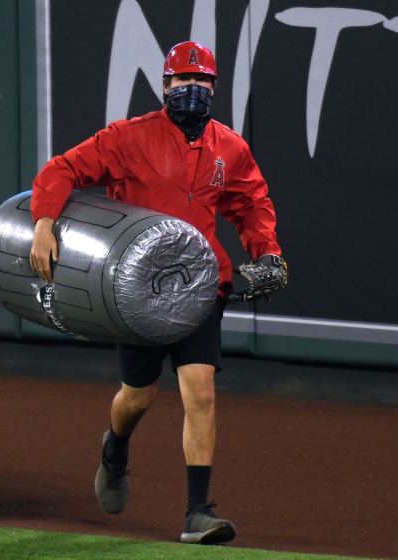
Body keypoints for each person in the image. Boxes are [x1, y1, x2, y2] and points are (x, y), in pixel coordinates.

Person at [29, 41, 286, 545]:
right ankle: (115, 448)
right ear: (164, 87)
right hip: (137, 291)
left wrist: (268, 252)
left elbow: (252, 202)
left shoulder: (229, 147)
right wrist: (43, 222)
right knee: (137, 396)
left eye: (203, 81)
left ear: (215, 87)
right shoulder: (128, 138)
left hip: (200, 284)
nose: (193, 89)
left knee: (200, 389)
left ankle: (197, 513)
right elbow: (64, 169)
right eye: (182, 81)